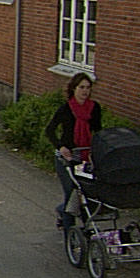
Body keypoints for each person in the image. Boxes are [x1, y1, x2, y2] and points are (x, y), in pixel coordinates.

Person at [46, 73, 102, 228]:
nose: (85, 91)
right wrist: (61, 147)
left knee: (85, 193)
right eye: (81, 87)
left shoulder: (94, 108)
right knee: (71, 193)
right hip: (67, 157)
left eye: (88, 88)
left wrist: (97, 150)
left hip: (85, 155)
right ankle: (69, 231)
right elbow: (50, 130)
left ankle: (83, 226)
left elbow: (98, 131)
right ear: (74, 89)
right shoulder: (65, 109)